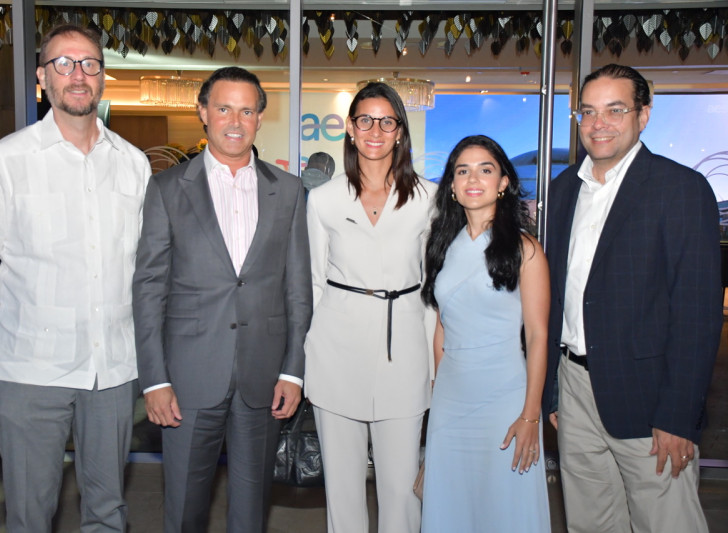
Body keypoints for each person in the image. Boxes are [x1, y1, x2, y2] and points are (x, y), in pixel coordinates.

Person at [0, 24, 151, 532]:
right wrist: (23, 323)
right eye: (63, 64)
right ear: (43, 77)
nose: (78, 75)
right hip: (30, 370)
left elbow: (141, 266)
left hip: (110, 368)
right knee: (29, 512)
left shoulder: (132, 165)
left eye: (89, 63)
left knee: (108, 510)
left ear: (103, 77)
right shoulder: (8, 161)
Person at [542, 64, 722, 533]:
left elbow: (698, 314)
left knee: (666, 522)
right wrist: (553, 391)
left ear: (643, 116)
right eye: (588, 112)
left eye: (614, 110)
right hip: (575, 390)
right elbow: (556, 296)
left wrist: (679, 415)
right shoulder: (563, 192)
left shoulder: (680, 190)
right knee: (591, 523)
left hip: (649, 397)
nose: (598, 123)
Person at [132, 66, 312, 533]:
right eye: (225, 108)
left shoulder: (288, 191)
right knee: (185, 508)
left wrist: (293, 370)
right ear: (204, 113)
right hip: (188, 380)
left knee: (251, 511)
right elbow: (149, 287)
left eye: (247, 110)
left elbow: (298, 287)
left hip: (263, 376)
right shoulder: (168, 188)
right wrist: (154, 380)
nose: (236, 120)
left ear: (259, 118)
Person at [305, 82, 436, 533]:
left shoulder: (428, 198)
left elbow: (432, 290)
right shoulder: (322, 199)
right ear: (350, 128)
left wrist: (437, 367)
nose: (375, 130)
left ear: (400, 130)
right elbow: (314, 285)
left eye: (386, 120)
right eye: (365, 119)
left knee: (402, 492)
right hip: (335, 357)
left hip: (405, 357)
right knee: (342, 491)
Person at [420, 135, 551, 531]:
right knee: (452, 505)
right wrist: (437, 400)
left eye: (485, 169)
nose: (472, 178)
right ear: (453, 186)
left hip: (505, 399)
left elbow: (538, 338)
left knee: (506, 506)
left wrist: (531, 416)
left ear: (503, 183)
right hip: (451, 399)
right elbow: (442, 329)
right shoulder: (442, 247)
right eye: (462, 170)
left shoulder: (526, 249)